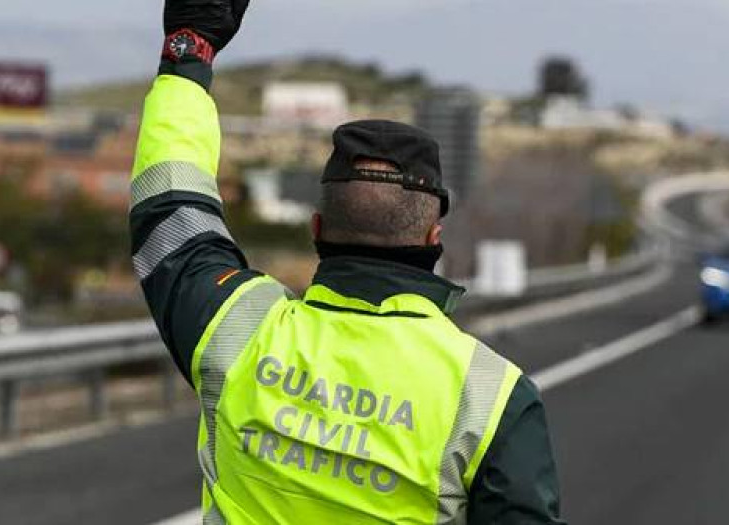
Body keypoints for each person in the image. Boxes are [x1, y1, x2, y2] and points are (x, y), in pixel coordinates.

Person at [130, 1, 565, 523]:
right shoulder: (490, 397)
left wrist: (188, 49)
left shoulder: (236, 331)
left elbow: (170, 206)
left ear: (317, 228)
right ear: (434, 237)